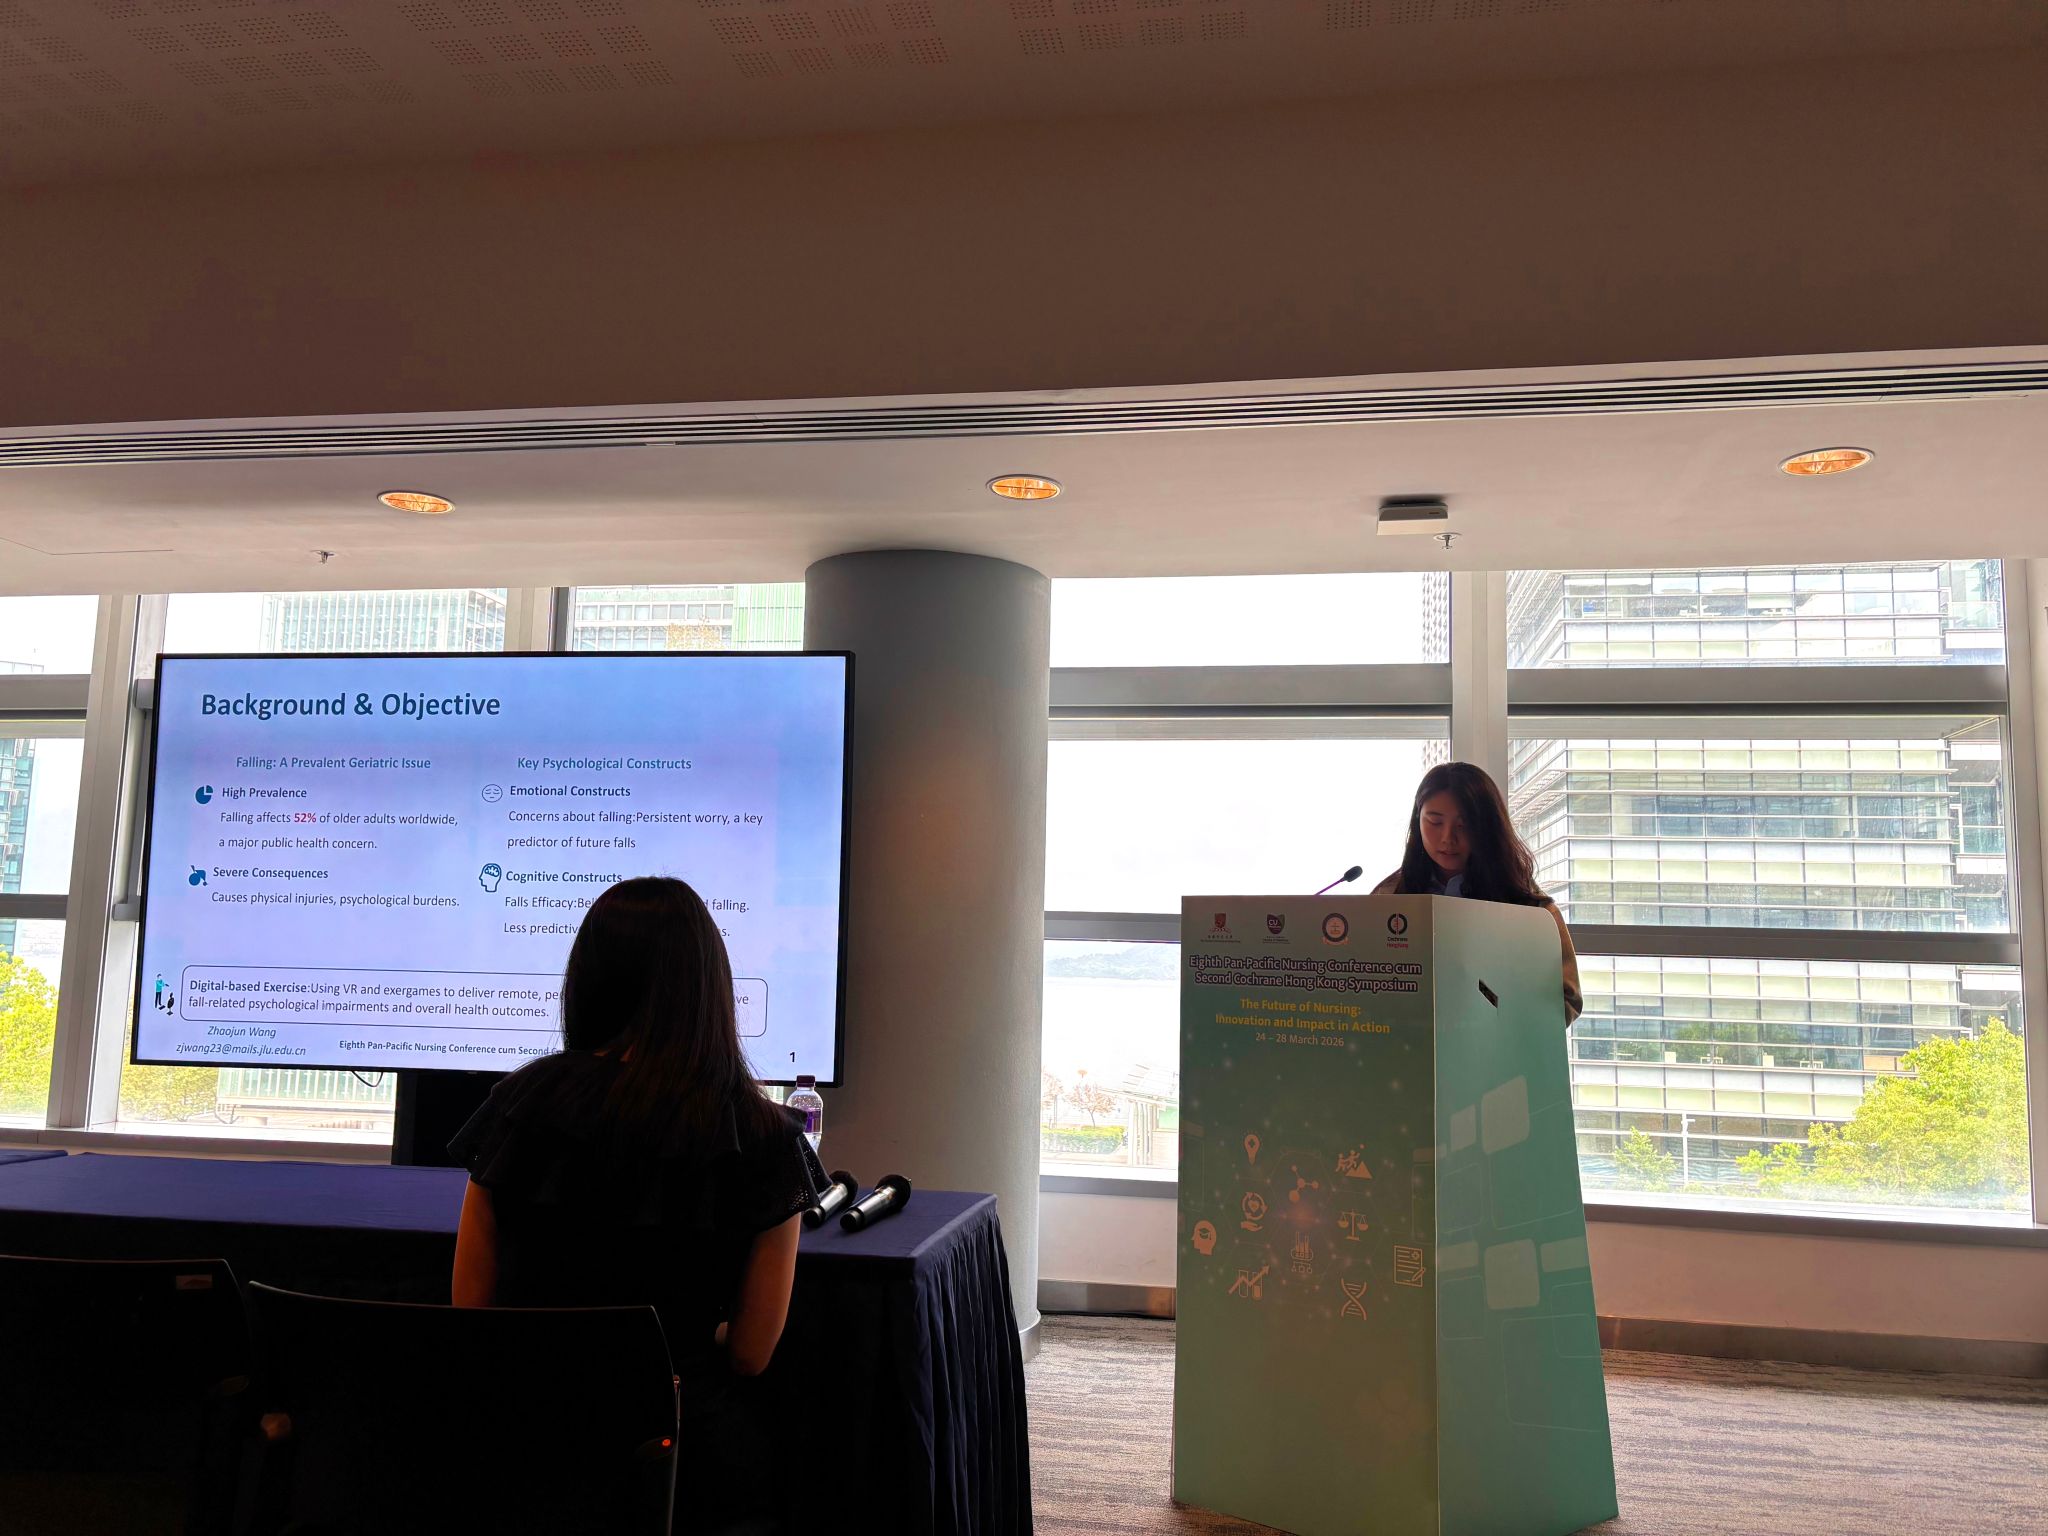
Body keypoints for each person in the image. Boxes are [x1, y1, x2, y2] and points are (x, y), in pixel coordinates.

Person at [449, 876, 823, 1527]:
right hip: (681, 1466)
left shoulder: (520, 1105)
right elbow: (751, 1354)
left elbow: (470, 1309)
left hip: (522, 1452)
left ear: (587, 978)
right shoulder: (764, 1138)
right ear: (709, 988)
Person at [1372, 761, 1583, 1024]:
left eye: (1464, 825)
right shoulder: (1388, 897)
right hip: (1407, 1043)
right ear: (1418, 820)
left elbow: (1567, 1001)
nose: (1448, 838)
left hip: (1498, 1046)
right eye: (1434, 822)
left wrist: (1498, 1015)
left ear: (1488, 827)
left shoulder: (1529, 907)